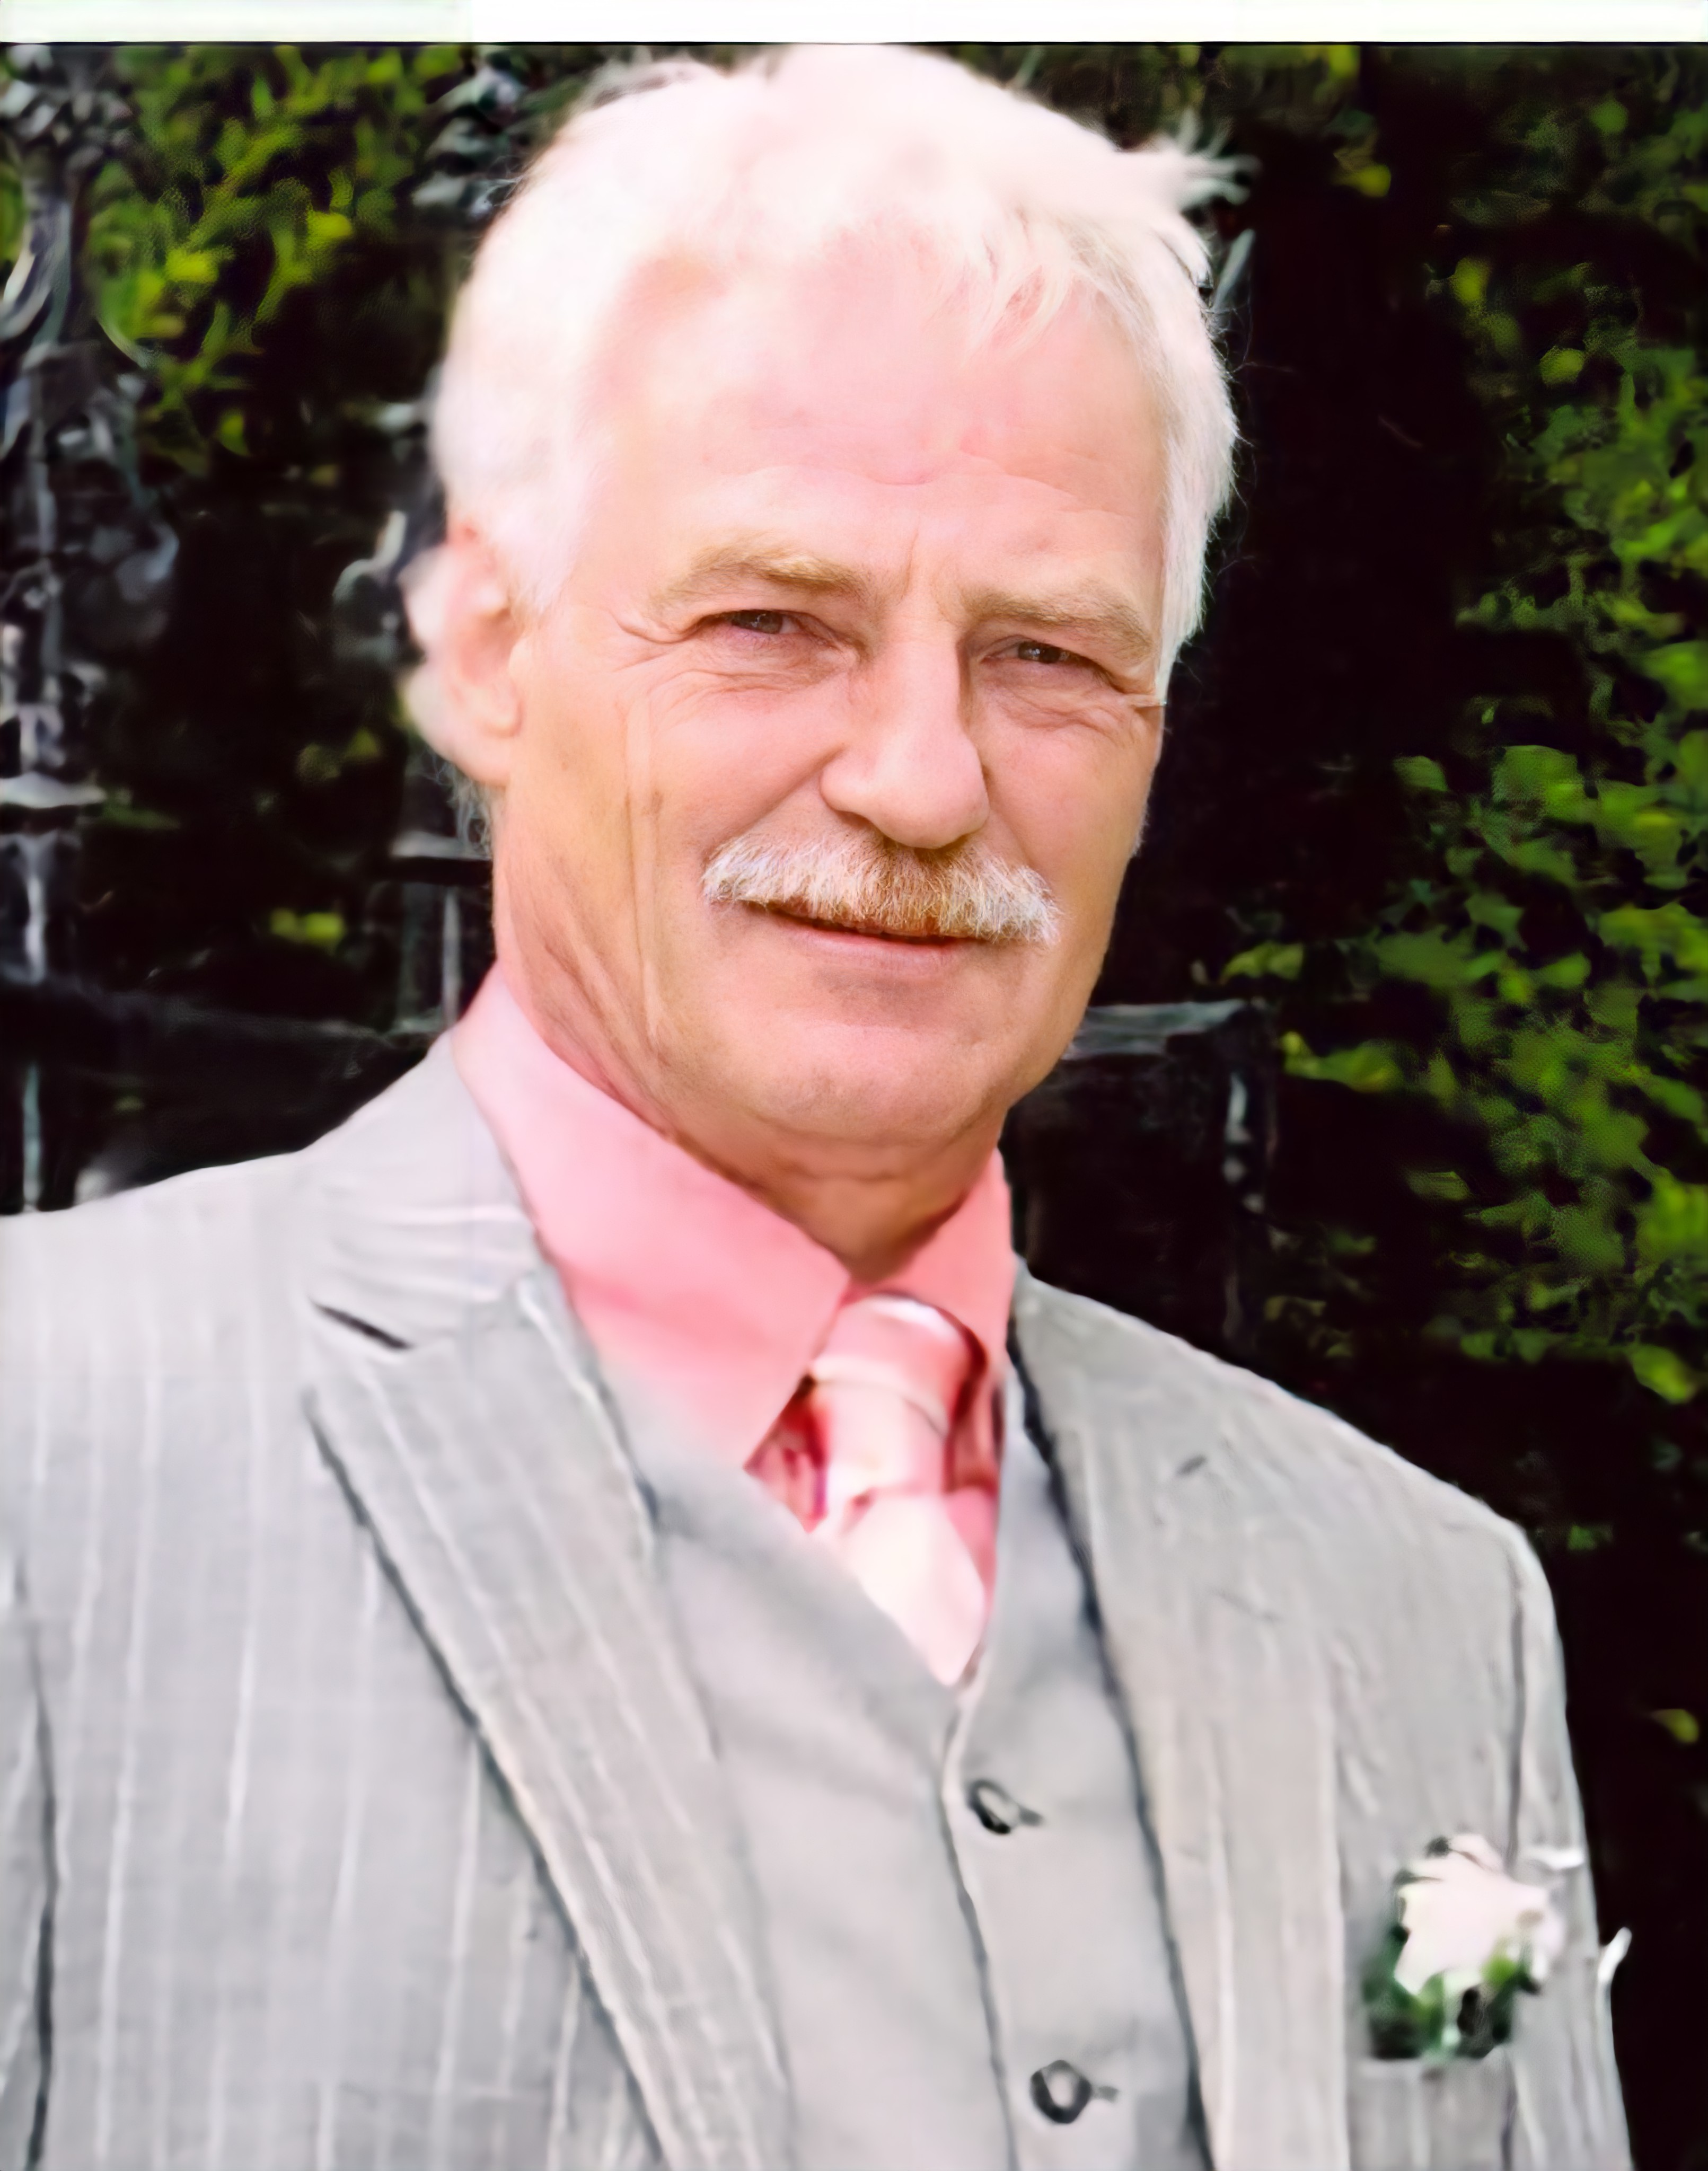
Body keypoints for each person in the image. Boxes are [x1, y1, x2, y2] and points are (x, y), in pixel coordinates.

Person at [0, 46, 1627, 2171]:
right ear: (485, 651)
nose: (924, 782)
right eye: (773, 622)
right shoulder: (45, 1458)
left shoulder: (1421, 1607)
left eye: (1045, 656)